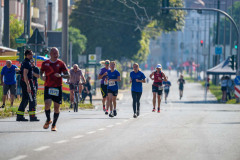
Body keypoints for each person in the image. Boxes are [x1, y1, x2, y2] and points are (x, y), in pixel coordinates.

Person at [40, 47, 69, 131]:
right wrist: (42, 77)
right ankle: (48, 119)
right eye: (54, 53)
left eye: (57, 53)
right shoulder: (45, 63)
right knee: (47, 104)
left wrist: (61, 76)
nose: (56, 55)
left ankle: (54, 125)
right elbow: (41, 72)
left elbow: (68, 75)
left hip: (57, 87)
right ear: (50, 54)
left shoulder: (61, 63)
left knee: (56, 107)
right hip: (48, 86)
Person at [16, 50, 39, 121]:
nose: (31, 55)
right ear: (26, 55)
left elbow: (22, 72)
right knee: (32, 99)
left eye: (32, 54)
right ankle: (32, 116)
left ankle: (19, 116)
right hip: (27, 82)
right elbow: (25, 74)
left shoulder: (25, 62)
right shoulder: (26, 63)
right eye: (30, 54)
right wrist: (28, 86)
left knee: (25, 99)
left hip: (25, 82)